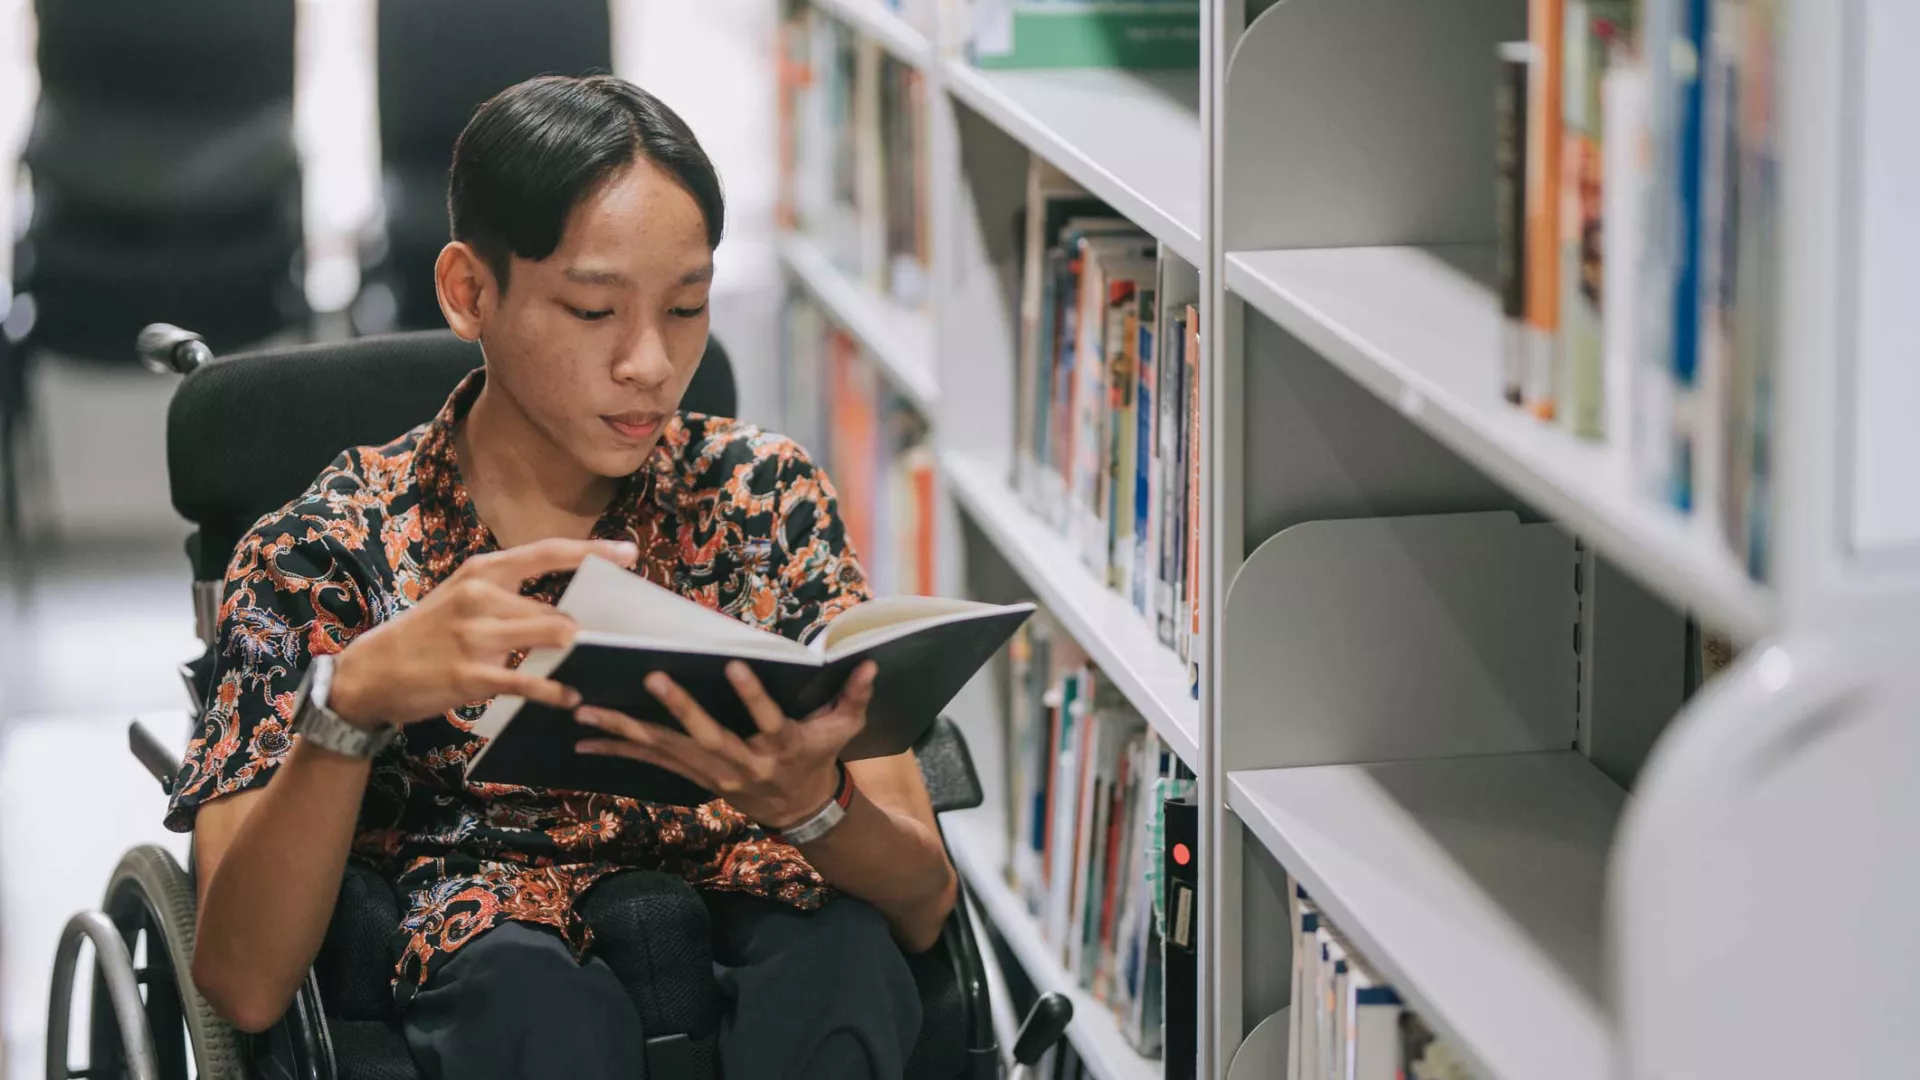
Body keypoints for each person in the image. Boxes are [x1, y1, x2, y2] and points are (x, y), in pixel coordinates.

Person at [165, 74, 955, 1080]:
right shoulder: (326, 548)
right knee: (526, 1003)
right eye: (592, 312)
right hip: (497, 971)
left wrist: (814, 805)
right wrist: (348, 707)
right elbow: (242, 983)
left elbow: (925, 904)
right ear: (469, 293)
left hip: (762, 918)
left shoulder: (763, 501)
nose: (650, 364)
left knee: (843, 962)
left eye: (686, 307)